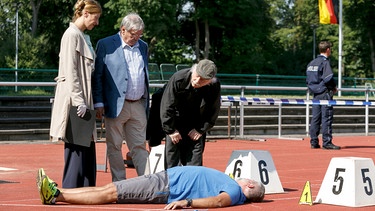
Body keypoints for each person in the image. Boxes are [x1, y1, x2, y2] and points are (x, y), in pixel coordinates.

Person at [49, 0, 102, 188]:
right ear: (85, 14)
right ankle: (72, 190)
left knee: (86, 148)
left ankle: (86, 189)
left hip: (83, 100)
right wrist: (80, 101)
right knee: (76, 149)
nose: (96, 23)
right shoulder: (71, 35)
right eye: (95, 18)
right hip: (75, 100)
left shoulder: (82, 36)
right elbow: (70, 71)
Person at [37, 166, 265, 209]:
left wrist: (186, 202)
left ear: (250, 185)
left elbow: (218, 202)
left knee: (110, 193)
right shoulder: (232, 184)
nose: (243, 177)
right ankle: (56, 191)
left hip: (165, 187)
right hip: (165, 180)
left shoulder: (235, 192)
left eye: (247, 179)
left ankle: (56, 196)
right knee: (110, 188)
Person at [92, 13, 150, 181]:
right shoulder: (105, 44)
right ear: (123, 30)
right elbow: (98, 76)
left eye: (140, 34)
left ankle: (147, 183)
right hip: (115, 104)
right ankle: (119, 184)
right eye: (133, 34)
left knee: (139, 146)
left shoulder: (143, 46)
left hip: (138, 103)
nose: (137, 38)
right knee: (114, 146)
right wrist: (99, 102)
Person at [160, 59, 221, 169]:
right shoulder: (179, 78)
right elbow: (167, 105)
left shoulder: (214, 86)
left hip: (196, 125)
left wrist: (201, 129)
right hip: (175, 124)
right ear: (193, 70)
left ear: (210, 80)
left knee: (195, 165)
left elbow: (213, 110)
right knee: (172, 164)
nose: (197, 81)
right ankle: (172, 185)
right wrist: (171, 130)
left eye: (203, 80)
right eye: (197, 76)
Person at [306, 40, 340, 150]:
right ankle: (327, 142)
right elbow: (328, 78)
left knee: (315, 118)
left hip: (315, 94)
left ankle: (314, 142)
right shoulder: (325, 62)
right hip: (325, 93)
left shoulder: (312, 63)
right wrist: (333, 87)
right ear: (328, 49)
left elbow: (308, 79)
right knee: (327, 117)